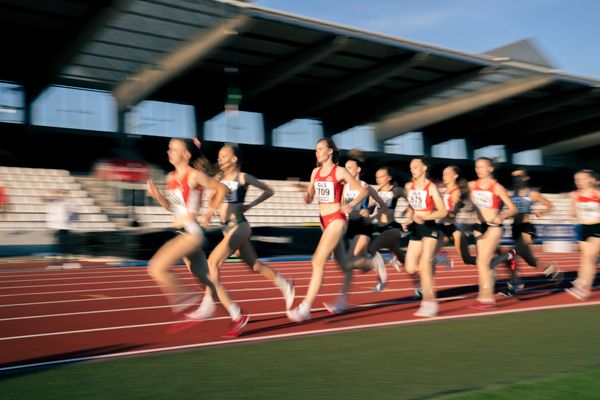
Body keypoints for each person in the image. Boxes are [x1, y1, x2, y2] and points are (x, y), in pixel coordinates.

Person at [146, 137, 249, 338]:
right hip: (181, 231)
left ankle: (190, 300)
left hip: (192, 233)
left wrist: (210, 212)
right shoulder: (171, 177)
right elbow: (173, 209)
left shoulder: (193, 175)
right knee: (207, 281)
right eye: (169, 149)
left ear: (186, 155)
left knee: (156, 267)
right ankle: (237, 315)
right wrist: (158, 196)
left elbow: (222, 189)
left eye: (174, 149)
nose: (169, 152)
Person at [186, 143, 295, 324]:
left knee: (213, 262)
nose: (220, 159)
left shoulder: (242, 177)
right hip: (226, 229)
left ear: (234, 159)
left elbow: (269, 190)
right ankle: (285, 283)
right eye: (219, 156)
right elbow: (205, 177)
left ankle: (208, 303)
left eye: (224, 155)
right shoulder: (218, 178)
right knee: (254, 266)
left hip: (239, 225)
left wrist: (250, 205)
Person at [286, 138, 368, 322]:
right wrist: (306, 197)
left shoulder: (339, 171)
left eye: (321, 149)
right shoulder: (315, 172)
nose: (317, 152)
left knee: (317, 261)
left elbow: (363, 192)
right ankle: (371, 264)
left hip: (337, 220)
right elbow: (311, 195)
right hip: (323, 221)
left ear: (330, 151)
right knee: (344, 265)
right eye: (316, 149)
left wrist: (351, 205)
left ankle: (305, 307)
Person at [323, 150, 388, 314]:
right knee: (356, 266)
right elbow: (342, 208)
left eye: (350, 167)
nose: (347, 170)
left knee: (348, 262)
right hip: (350, 227)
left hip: (363, 228)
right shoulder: (343, 188)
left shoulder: (365, 186)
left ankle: (342, 300)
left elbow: (384, 206)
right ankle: (377, 262)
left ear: (358, 169)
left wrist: (371, 217)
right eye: (345, 167)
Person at [469, 157, 517, 309]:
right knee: (482, 263)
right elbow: (475, 206)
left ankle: (488, 297)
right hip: (479, 227)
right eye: (477, 167)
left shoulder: (497, 187)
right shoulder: (473, 185)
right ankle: (507, 256)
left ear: (490, 169)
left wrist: (502, 216)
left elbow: (513, 209)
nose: (478, 169)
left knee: (483, 262)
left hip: (493, 226)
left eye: (482, 167)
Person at [403, 158, 448, 317]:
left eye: (415, 167)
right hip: (416, 228)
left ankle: (429, 302)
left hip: (429, 227)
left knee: (424, 264)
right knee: (410, 267)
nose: (412, 170)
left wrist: (427, 217)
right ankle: (436, 260)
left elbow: (443, 211)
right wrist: (408, 218)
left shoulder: (431, 187)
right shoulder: (409, 186)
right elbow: (411, 206)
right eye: (411, 168)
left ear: (424, 168)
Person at [507, 169, 563, 292]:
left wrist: (541, 212)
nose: (516, 179)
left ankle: (515, 282)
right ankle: (551, 269)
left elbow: (550, 205)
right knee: (532, 262)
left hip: (527, 228)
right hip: (515, 228)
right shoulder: (510, 194)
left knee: (512, 255)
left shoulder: (532, 194)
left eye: (519, 176)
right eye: (514, 177)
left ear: (526, 178)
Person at [433, 166, 476, 269]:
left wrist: (439, 212)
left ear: (455, 176)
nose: (444, 176)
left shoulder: (456, 192)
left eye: (448, 174)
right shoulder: (444, 191)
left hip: (451, 227)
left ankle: (488, 263)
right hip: (442, 227)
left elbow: (453, 215)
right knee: (430, 254)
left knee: (467, 260)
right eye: (443, 174)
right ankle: (440, 258)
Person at [566, 169, 599, 300]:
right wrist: (575, 202)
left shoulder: (598, 193)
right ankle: (581, 282)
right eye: (576, 179)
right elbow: (573, 214)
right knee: (585, 258)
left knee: (590, 258)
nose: (578, 182)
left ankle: (586, 288)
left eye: (582, 179)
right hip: (582, 227)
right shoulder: (574, 195)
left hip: (597, 227)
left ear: (591, 180)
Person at [43, 189, 75, 262]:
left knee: (65, 243)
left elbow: (72, 211)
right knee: (56, 243)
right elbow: (45, 199)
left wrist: (69, 218)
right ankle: (56, 257)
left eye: (64, 194)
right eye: (62, 194)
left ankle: (65, 257)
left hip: (65, 227)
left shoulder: (69, 202)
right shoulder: (56, 201)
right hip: (56, 225)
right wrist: (51, 193)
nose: (63, 195)